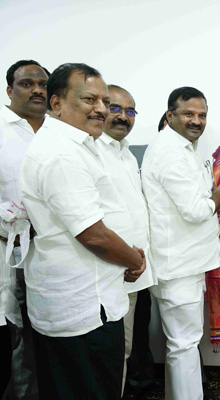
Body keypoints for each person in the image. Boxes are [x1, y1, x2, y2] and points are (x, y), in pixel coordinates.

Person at [20, 63, 146, 399]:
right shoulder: (62, 153)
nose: (102, 109)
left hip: (93, 297)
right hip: (82, 308)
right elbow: (93, 234)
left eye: (105, 101)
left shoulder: (77, 144)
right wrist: (134, 260)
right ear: (57, 103)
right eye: (90, 99)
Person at [142, 86, 220, 400]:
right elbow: (195, 210)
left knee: (183, 344)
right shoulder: (169, 151)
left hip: (187, 262)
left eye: (201, 115)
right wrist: (219, 197)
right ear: (170, 115)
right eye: (188, 114)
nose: (196, 121)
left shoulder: (187, 148)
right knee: (184, 344)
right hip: (178, 265)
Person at [96, 84, 156, 395]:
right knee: (111, 354)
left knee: (124, 349)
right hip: (109, 269)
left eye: (130, 111)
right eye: (115, 108)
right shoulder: (92, 151)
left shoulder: (126, 154)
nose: (123, 117)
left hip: (132, 271)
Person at [0, 59, 49, 400]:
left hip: (53, 249)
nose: (37, 90)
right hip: (9, 249)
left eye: (43, 84)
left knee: (48, 330)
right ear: (9, 90)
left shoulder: (58, 131)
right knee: (16, 333)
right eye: (27, 84)